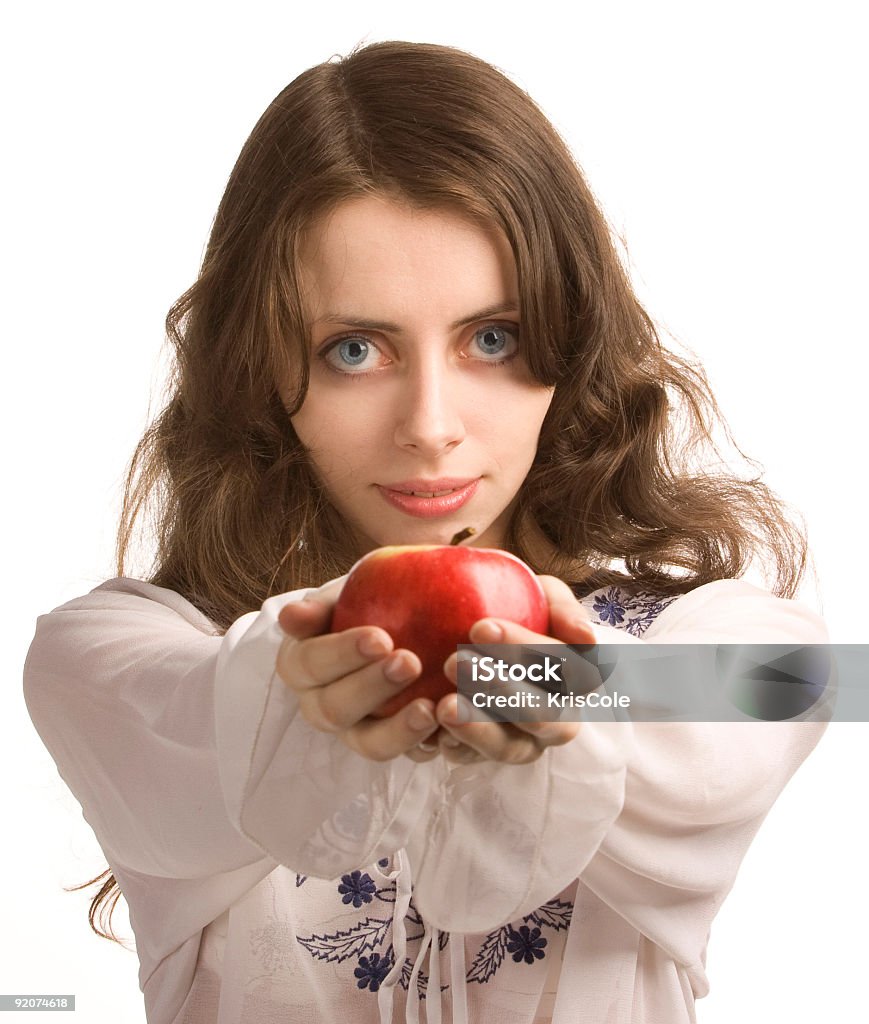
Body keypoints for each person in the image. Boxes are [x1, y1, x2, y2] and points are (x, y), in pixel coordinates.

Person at [23, 40, 828, 1024]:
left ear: (568, 344)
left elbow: (796, 683)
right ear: (262, 370)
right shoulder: (125, 658)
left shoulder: (707, 636)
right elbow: (196, 710)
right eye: (354, 349)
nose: (429, 423)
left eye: (492, 338)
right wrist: (310, 683)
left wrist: (550, 680)